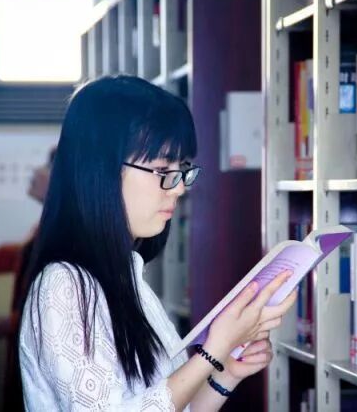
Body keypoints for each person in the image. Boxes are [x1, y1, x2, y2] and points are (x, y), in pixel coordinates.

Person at [17, 75, 297, 411]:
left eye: (182, 169)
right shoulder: (64, 285)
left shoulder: (128, 278)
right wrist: (214, 350)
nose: (179, 188)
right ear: (102, 171)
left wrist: (226, 373)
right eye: (163, 169)